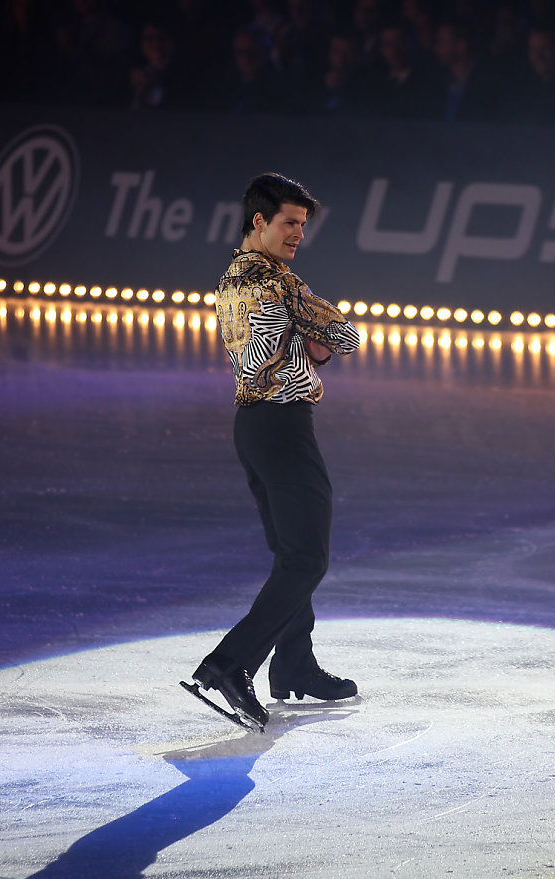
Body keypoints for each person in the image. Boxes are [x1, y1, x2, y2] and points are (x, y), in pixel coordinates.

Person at [190, 172, 360, 730]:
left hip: (267, 429)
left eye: (302, 225)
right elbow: (253, 358)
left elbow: (347, 334)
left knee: (294, 554)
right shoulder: (255, 285)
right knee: (307, 558)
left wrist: (312, 343)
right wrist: (300, 341)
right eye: (289, 223)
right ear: (258, 221)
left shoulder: (276, 279)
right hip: (278, 431)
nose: (297, 234)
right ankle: (229, 663)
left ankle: (294, 666)